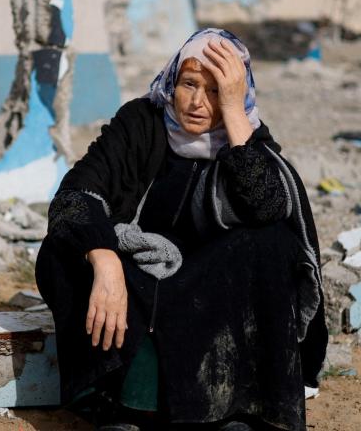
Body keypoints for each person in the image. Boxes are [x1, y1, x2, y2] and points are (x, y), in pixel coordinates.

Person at [36, 28, 327, 431]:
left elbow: (268, 206)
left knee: (274, 242)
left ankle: (234, 410)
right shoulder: (140, 123)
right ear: (172, 81)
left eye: (215, 91)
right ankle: (122, 408)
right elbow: (75, 195)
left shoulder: (245, 141)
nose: (196, 102)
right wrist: (105, 263)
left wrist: (235, 114)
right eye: (190, 84)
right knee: (62, 250)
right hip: (136, 280)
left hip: (205, 292)